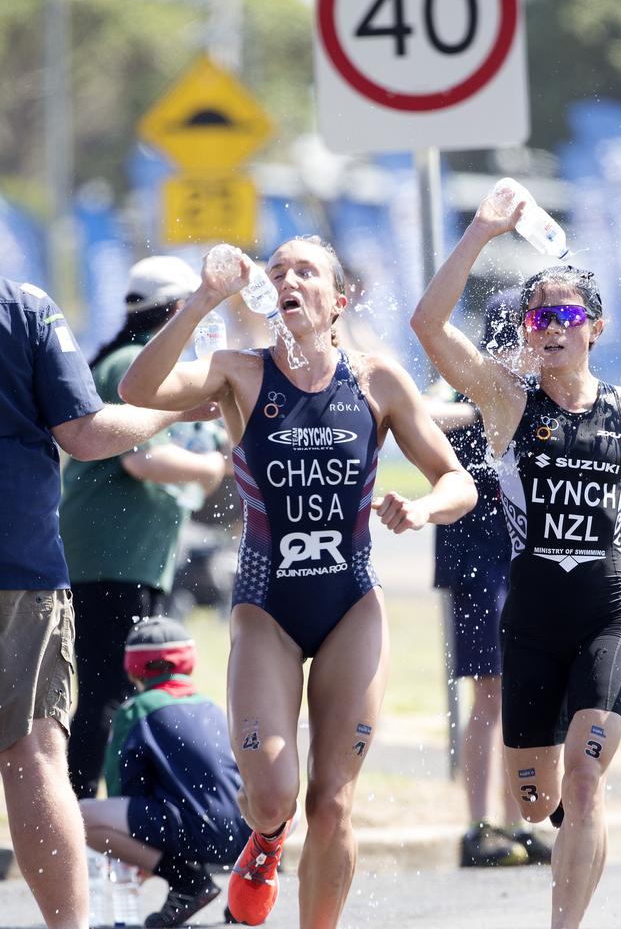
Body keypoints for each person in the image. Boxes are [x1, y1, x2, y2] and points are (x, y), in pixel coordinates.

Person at [118, 235, 477, 928]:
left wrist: (424, 508)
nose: (287, 278)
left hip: (351, 607)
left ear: (337, 300)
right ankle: (268, 840)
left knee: (335, 799)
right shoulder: (238, 372)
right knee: (276, 795)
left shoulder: (377, 382)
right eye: (277, 270)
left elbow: (456, 481)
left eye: (305, 270)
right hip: (267, 611)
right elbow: (139, 390)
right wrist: (202, 299)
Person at [410, 195, 621, 929]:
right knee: (538, 802)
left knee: (586, 781)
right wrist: (481, 232)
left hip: (605, 613)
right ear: (524, 332)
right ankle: (568, 836)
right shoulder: (505, 400)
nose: (551, 330)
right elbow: (427, 326)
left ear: (595, 328)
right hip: (529, 622)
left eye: (565, 318)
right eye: (538, 319)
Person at [0, 275, 217, 929]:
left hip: (79, 563)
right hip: (36, 565)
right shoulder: (24, 308)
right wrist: (188, 421)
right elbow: (91, 437)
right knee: (39, 753)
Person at [60, 256, 227, 800]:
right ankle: (85, 813)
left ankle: (104, 807)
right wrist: (212, 468)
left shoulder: (126, 363)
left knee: (121, 686)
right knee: (113, 687)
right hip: (111, 557)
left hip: (127, 555)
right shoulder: (131, 365)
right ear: (178, 310)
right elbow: (142, 460)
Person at [429, 292, 552, 869]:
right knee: (490, 693)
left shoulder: (540, 398)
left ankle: (518, 821)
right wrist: (482, 407)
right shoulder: (468, 390)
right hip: (478, 563)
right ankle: (479, 825)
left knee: (525, 693)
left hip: (525, 563)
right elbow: (422, 411)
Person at [80, 615, 252, 928]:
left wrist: (137, 854)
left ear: (134, 667)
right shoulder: (212, 707)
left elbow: (125, 791)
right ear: (188, 662)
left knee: (80, 817)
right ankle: (251, 886)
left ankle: (187, 882)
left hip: (195, 832)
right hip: (246, 833)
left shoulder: (136, 709)